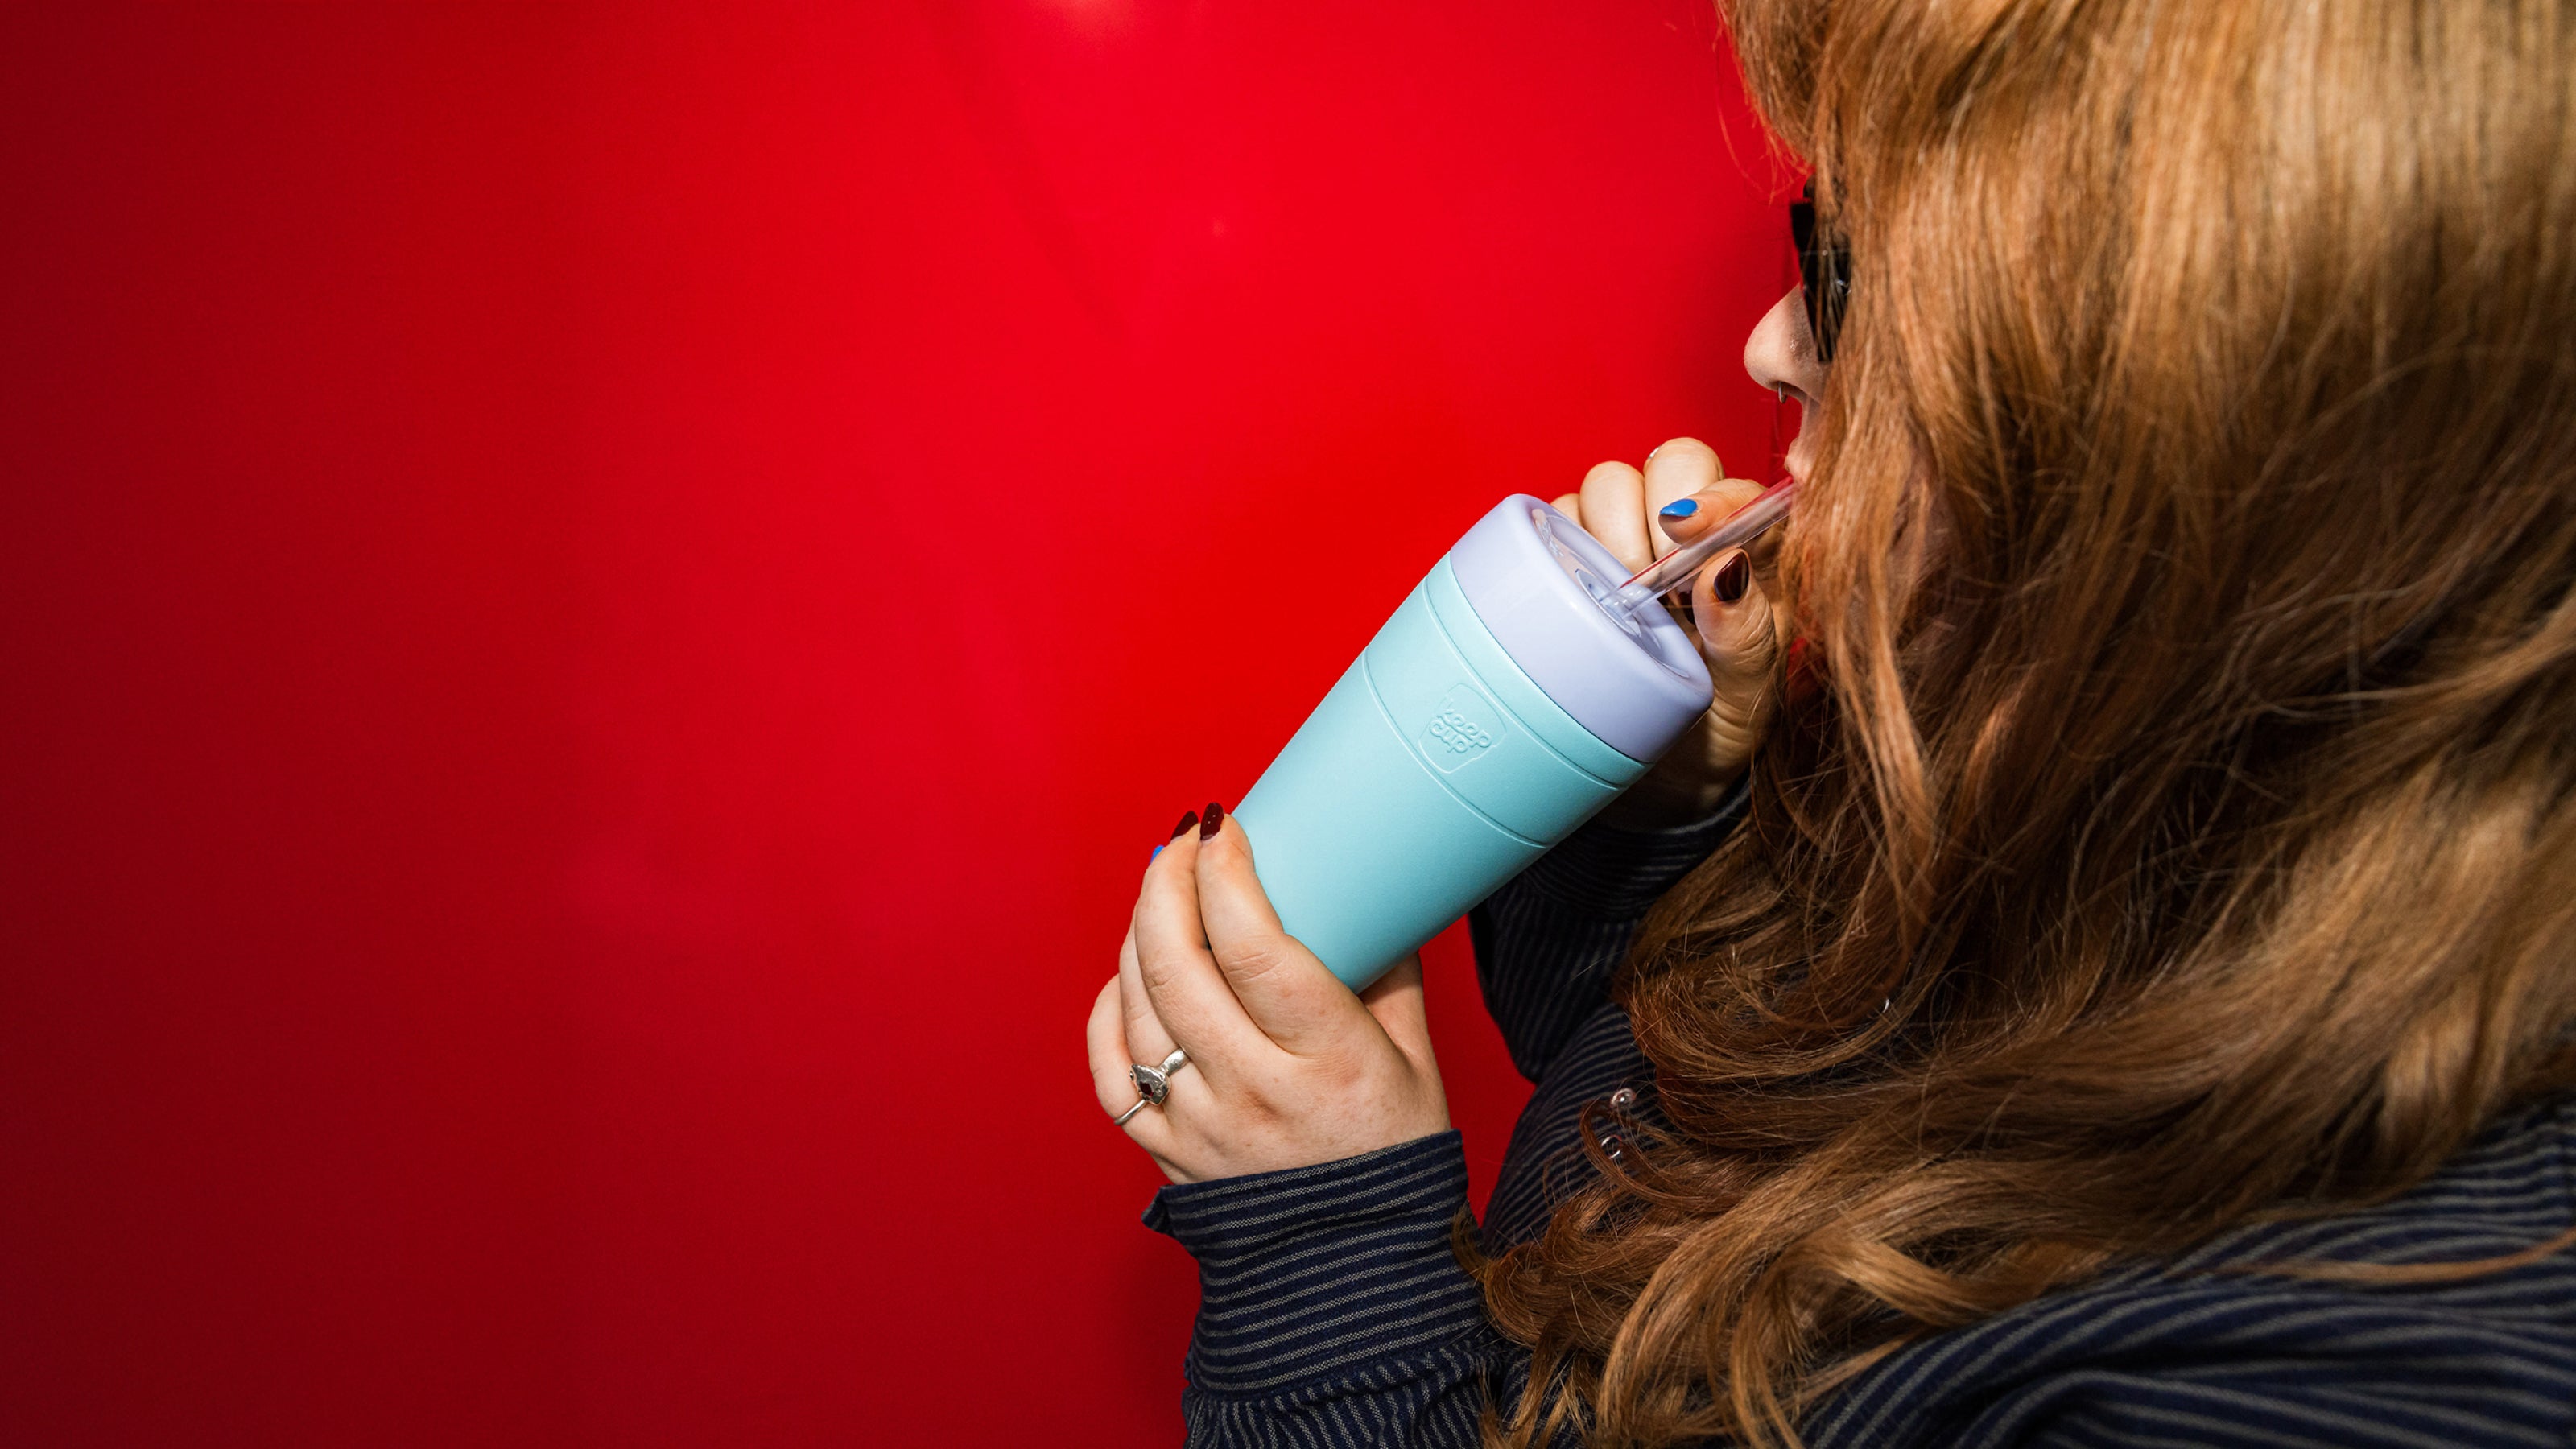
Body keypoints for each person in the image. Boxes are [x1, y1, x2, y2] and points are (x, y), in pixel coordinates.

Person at [1082, 0, 2576, 1443]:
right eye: (1823, 220)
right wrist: (1680, 810)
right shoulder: (2034, 748)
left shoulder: (2366, 1370)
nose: (1772, 341)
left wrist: (1326, 1254)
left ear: (2190, 441)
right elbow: (1647, 1112)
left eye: (1852, 270)